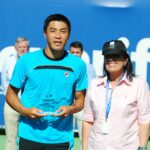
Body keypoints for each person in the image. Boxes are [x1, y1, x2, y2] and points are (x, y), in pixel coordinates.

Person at [6, 14, 87, 150]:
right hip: (29, 136)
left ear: (68, 35)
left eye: (63, 31)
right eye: (53, 30)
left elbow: (80, 100)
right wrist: (25, 111)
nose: (58, 36)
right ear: (45, 33)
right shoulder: (26, 61)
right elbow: (10, 94)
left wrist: (71, 108)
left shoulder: (78, 65)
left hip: (61, 139)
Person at [82, 40, 150, 150]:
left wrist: (142, 148)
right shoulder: (94, 84)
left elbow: (144, 120)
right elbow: (88, 120)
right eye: (108, 56)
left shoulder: (139, 84)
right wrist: (84, 148)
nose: (111, 59)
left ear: (125, 60)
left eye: (116, 56)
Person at [1, 37, 30, 150]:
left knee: (28, 136)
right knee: (11, 137)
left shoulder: (31, 60)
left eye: (24, 47)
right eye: (20, 47)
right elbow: (4, 79)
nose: (22, 49)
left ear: (28, 48)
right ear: (15, 48)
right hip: (11, 103)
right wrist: (9, 97)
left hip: (28, 103)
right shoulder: (9, 60)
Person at [69, 41, 96, 149]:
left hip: (82, 106)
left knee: (84, 138)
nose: (75, 55)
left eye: (77, 52)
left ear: (81, 53)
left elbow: (89, 88)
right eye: (72, 52)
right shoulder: (63, 66)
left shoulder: (89, 68)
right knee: (65, 137)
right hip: (67, 105)